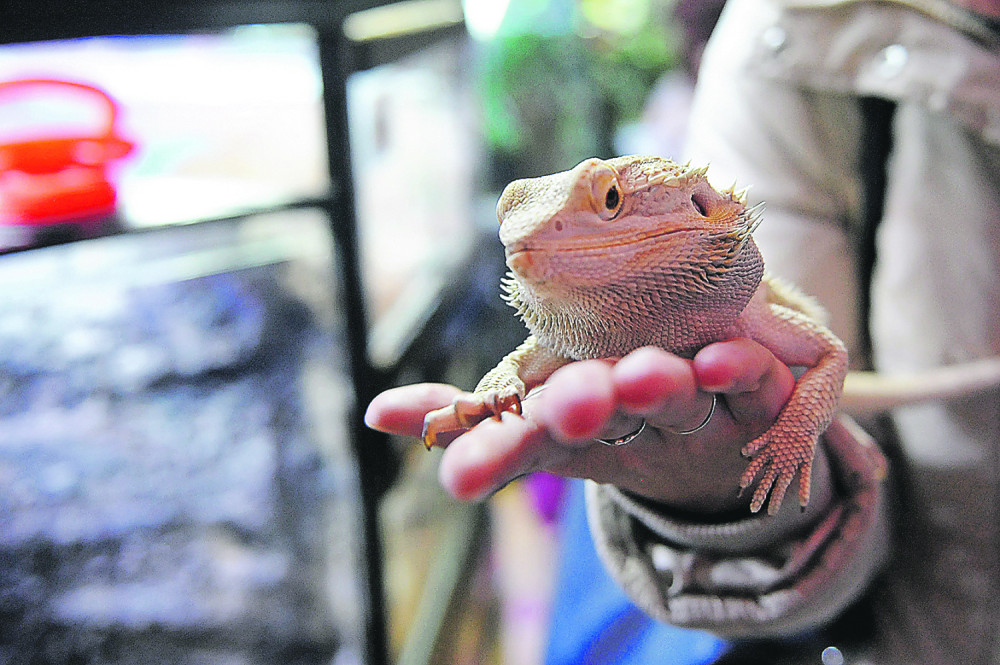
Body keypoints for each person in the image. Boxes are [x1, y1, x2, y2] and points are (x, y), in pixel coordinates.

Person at [366, 0, 1000, 661]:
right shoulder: (780, 34)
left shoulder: (745, 306)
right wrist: (711, 507)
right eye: (516, 225)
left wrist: (794, 432)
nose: (530, 240)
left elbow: (826, 356)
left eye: (610, 202)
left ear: (699, 207)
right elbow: (522, 368)